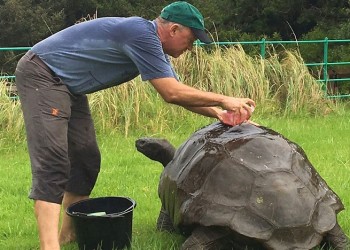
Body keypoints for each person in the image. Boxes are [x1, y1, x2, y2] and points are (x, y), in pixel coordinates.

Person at [15, 1, 255, 249]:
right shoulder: (140, 34)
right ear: (173, 30)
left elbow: (181, 94)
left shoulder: (153, 45)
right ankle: (49, 246)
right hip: (43, 74)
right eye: (191, 39)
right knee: (53, 160)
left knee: (85, 157)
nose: (191, 47)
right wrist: (224, 99)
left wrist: (218, 113)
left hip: (70, 87)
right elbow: (171, 93)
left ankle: (68, 235)